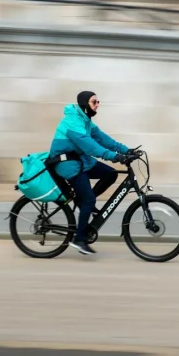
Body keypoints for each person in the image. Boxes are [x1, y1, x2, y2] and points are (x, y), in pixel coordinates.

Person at [49, 91, 137, 256]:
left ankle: (84, 203)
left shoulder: (86, 121)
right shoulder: (72, 122)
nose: (97, 105)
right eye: (94, 102)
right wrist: (116, 157)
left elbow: (104, 139)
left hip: (81, 161)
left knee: (110, 174)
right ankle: (80, 239)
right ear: (84, 104)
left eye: (98, 102)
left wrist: (127, 150)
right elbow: (91, 147)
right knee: (89, 198)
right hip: (67, 164)